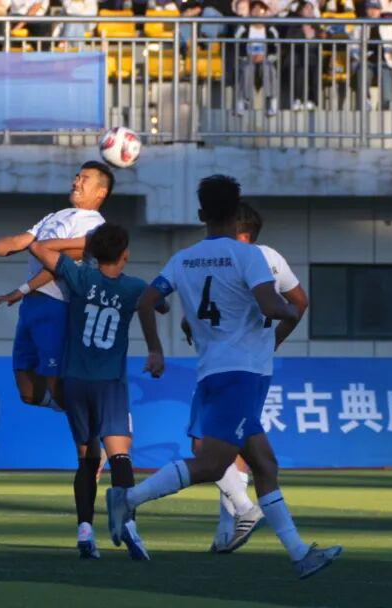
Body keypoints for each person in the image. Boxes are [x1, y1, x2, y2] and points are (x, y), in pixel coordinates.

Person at [107, 175, 341, 579]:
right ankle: (128, 499)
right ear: (236, 213)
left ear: (201, 214)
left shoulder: (183, 259)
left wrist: (156, 348)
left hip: (215, 371)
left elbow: (147, 300)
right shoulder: (249, 255)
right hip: (242, 373)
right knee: (212, 464)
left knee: (265, 465)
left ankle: (301, 555)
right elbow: (271, 303)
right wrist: (290, 313)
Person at [26, 224, 166, 561]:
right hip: (109, 382)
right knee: (119, 455)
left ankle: (85, 531)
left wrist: (83, 245)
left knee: (87, 458)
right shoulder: (134, 287)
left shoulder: (80, 276)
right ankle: (128, 524)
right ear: (125, 254)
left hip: (75, 380)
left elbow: (38, 247)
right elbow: (160, 306)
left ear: (92, 250)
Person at [180, 203, 308, 554]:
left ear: (241, 233)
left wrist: (192, 324)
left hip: (226, 365)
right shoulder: (271, 258)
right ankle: (228, 529)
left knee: (203, 445)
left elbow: (211, 306)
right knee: (236, 445)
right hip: (257, 369)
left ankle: (244, 510)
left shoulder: (235, 259)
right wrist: (275, 340)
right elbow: (299, 302)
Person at [0, 162, 112, 412]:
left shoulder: (95, 225)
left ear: (101, 192)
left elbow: (59, 266)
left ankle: (92, 418)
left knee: (56, 382)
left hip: (58, 306)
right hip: (32, 306)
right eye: (76, 176)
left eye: (84, 178)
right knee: (28, 392)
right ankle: (74, 408)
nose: (76, 182)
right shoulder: (56, 216)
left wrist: (22, 290)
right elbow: (19, 241)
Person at [234, 1, 281, 116]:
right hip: (247, 59)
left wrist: (265, 57)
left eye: (260, 10)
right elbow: (237, 46)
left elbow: (276, 49)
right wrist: (248, 57)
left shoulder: (271, 29)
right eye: (254, 10)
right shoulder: (243, 28)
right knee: (247, 68)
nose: (257, 12)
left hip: (266, 59)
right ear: (250, 12)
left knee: (269, 69)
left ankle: (272, 102)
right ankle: (242, 101)